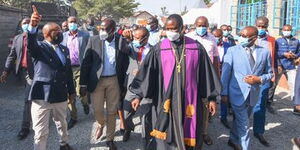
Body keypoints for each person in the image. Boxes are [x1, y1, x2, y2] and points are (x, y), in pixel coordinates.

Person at [129, 14, 221, 150]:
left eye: (174, 29)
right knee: (165, 135)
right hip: (165, 101)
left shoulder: (196, 47)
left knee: (189, 131)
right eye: (168, 29)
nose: (170, 32)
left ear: (182, 28)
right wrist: (138, 95)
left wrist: (212, 98)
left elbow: (206, 75)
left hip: (189, 100)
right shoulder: (159, 48)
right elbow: (148, 74)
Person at [27, 5, 75, 150]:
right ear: (47, 33)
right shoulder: (39, 48)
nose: (61, 33)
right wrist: (32, 27)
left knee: (62, 123)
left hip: (60, 93)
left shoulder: (64, 49)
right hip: (42, 95)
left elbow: (68, 72)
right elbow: (31, 44)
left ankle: (64, 144)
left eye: (60, 30)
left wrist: (71, 91)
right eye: (57, 31)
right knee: (41, 131)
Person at [79, 18, 130, 150]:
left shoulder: (121, 41)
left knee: (112, 111)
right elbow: (85, 63)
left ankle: (110, 139)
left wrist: (124, 85)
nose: (102, 31)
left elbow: (126, 63)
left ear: (113, 30)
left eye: (105, 29)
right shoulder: (93, 40)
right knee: (97, 110)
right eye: (100, 28)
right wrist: (83, 84)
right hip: (97, 81)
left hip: (114, 80)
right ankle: (101, 124)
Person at [221, 26, 272, 150]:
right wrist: (224, 93)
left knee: (240, 120)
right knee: (244, 124)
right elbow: (225, 74)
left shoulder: (264, 52)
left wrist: (259, 79)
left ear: (254, 38)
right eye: (240, 35)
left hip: (253, 94)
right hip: (236, 93)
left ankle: (233, 140)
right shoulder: (233, 50)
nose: (241, 38)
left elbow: (270, 73)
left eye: (244, 36)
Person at [186, 16, 220, 146]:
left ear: (208, 25)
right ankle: (189, 131)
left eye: (204, 25)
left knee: (205, 105)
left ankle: (204, 132)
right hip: (191, 76)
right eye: (199, 25)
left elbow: (216, 59)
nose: (202, 27)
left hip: (206, 76)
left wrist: (216, 77)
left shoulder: (212, 39)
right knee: (190, 104)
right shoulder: (188, 37)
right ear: (195, 25)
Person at [0, 17, 34, 140]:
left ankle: (25, 127)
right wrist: (5, 71)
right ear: (21, 25)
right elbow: (12, 55)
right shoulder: (17, 38)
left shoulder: (38, 36)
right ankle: (31, 123)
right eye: (24, 23)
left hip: (36, 72)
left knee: (28, 99)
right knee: (30, 98)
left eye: (28, 23)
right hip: (23, 72)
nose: (26, 25)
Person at [121, 27, 152, 148]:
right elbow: (122, 48)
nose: (135, 40)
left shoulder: (154, 50)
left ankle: (146, 141)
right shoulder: (131, 47)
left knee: (145, 117)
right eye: (134, 37)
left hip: (147, 87)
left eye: (138, 38)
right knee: (126, 112)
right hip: (132, 86)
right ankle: (129, 128)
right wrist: (125, 38)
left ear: (146, 38)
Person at [61, 16, 90, 130]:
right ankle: (73, 117)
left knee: (81, 92)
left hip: (80, 68)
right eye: (70, 22)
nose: (72, 24)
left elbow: (88, 52)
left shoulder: (85, 35)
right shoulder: (62, 36)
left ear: (77, 23)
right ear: (67, 24)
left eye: (74, 22)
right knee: (69, 93)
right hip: (67, 69)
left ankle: (85, 103)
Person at [252, 16, 277, 147]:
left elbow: (274, 58)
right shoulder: (249, 37)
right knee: (243, 104)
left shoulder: (272, 40)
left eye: (264, 26)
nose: (261, 29)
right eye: (259, 26)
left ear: (267, 26)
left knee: (260, 105)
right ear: (255, 25)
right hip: (249, 76)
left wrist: (273, 75)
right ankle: (238, 132)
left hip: (264, 77)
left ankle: (259, 131)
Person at [269, 24, 300, 114]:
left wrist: (295, 56)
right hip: (279, 66)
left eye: (288, 30)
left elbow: (298, 52)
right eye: (285, 30)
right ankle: (269, 103)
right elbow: (275, 53)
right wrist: (282, 56)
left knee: (294, 85)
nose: (287, 31)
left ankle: (296, 105)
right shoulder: (278, 41)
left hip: (290, 66)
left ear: (291, 31)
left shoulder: (296, 41)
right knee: (273, 85)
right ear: (282, 30)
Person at [212, 29, 234, 129]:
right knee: (211, 94)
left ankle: (223, 117)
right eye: (215, 36)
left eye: (219, 36)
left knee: (224, 95)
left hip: (224, 73)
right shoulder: (209, 45)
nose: (217, 38)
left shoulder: (228, 46)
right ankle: (209, 115)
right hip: (212, 73)